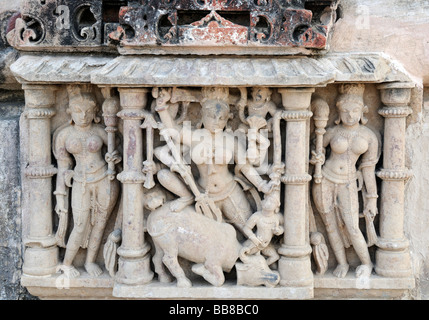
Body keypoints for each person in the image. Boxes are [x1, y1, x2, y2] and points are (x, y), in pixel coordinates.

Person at [153, 87, 278, 236]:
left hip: (230, 192)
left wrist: (261, 185)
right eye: (211, 116)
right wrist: (161, 106)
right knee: (209, 238)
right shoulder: (193, 136)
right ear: (202, 115)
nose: (216, 122)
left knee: (251, 232)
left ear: (227, 119)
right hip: (202, 195)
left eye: (221, 118)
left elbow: (245, 167)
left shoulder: (231, 140)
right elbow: (172, 129)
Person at [311, 83, 379, 278]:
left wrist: (372, 198)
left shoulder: (369, 137)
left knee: (352, 226)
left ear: (363, 111)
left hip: (348, 182)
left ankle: (366, 263)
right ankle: (342, 262)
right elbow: (318, 148)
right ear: (339, 112)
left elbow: (368, 170)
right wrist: (317, 156)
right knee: (330, 225)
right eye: (346, 110)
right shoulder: (332, 132)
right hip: (324, 179)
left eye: (355, 110)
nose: (350, 115)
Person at [53, 86, 120, 278]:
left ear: (95, 113)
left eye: (88, 111)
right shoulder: (64, 135)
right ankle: (66, 263)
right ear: (70, 113)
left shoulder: (101, 131)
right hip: (80, 182)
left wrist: (114, 156)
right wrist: (59, 195)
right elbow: (63, 167)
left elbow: (117, 150)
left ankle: (90, 261)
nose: (83, 116)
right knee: (80, 224)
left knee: (100, 224)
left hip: (104, 179)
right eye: (78, 111)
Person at [240, 193, 284, 266]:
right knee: (245, 256)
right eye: (267, 200)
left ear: (277, 206)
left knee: (275, 257)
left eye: (272, 202)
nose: (269, 203)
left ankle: (262, 267)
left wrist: (279, 231)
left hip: (266, 246)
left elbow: (284, 227)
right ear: (262, 203)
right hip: (255, 244)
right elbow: (246, 228)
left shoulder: (277, 217)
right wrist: (253, 238)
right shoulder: (257, 216)